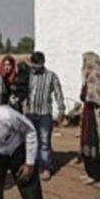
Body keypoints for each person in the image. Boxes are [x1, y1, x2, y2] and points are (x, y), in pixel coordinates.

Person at [25, 51, 65, 181]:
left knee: (44, 141)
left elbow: (58, 93)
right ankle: (34, 165)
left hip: (44, 114)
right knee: (31, 141)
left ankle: (46, 167)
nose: (36, 66)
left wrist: (61, 110)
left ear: (43, 63)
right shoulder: (28, 75)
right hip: (30, 113)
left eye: (38, 64)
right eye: (34, 64)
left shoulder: (51, 76)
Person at [79, 51, 100, 184]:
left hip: (94, 115)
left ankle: (95, 174)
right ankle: (89, 171)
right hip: (87, 112)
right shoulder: (88, 78)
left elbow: (97, 97)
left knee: (93, 142)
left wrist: (87, 95)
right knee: (85, 141)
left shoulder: (95, 77)